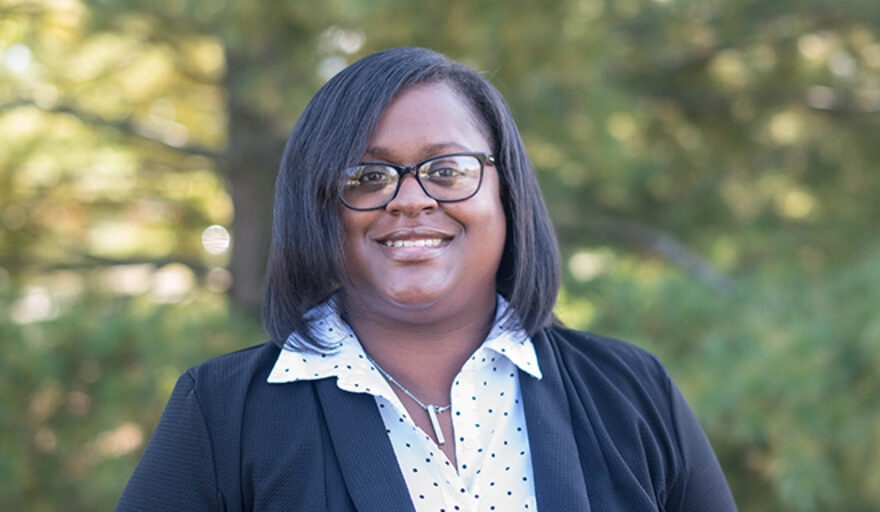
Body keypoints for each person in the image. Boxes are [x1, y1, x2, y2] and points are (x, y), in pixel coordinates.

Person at [117, 47, 737, 511]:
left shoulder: (631, 392)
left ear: (507, 192)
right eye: (367, 176)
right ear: (318, 206)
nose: (410, 200)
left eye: (447, 170)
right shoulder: (223, 414)